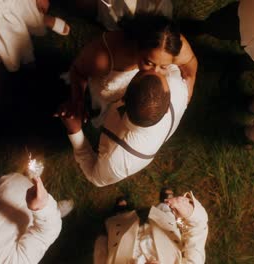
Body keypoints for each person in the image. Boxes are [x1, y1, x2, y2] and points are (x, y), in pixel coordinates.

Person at [57, 65, 189, 187]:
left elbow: (94, 177)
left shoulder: (119, 161)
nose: (156, 68)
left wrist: (75, 131)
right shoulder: (176, 86)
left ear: (123, 97)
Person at [65, 14, 196, 127]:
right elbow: (77, 71)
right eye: (149, 63)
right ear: (137, 46)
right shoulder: (102, 58)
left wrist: (187, 95)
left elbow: (190, 62)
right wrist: (78, 101)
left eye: (163, 66)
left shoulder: (171, 45)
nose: (155, 74)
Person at [93, 187, 209, 263]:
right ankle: (166, 201)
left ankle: (122, 210)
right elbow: (198, 230)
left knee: (121, 219)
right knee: (165, 209)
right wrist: (190, 212)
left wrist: (102, 238)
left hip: (121, 233)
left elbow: (100, 256)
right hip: (164, 226)